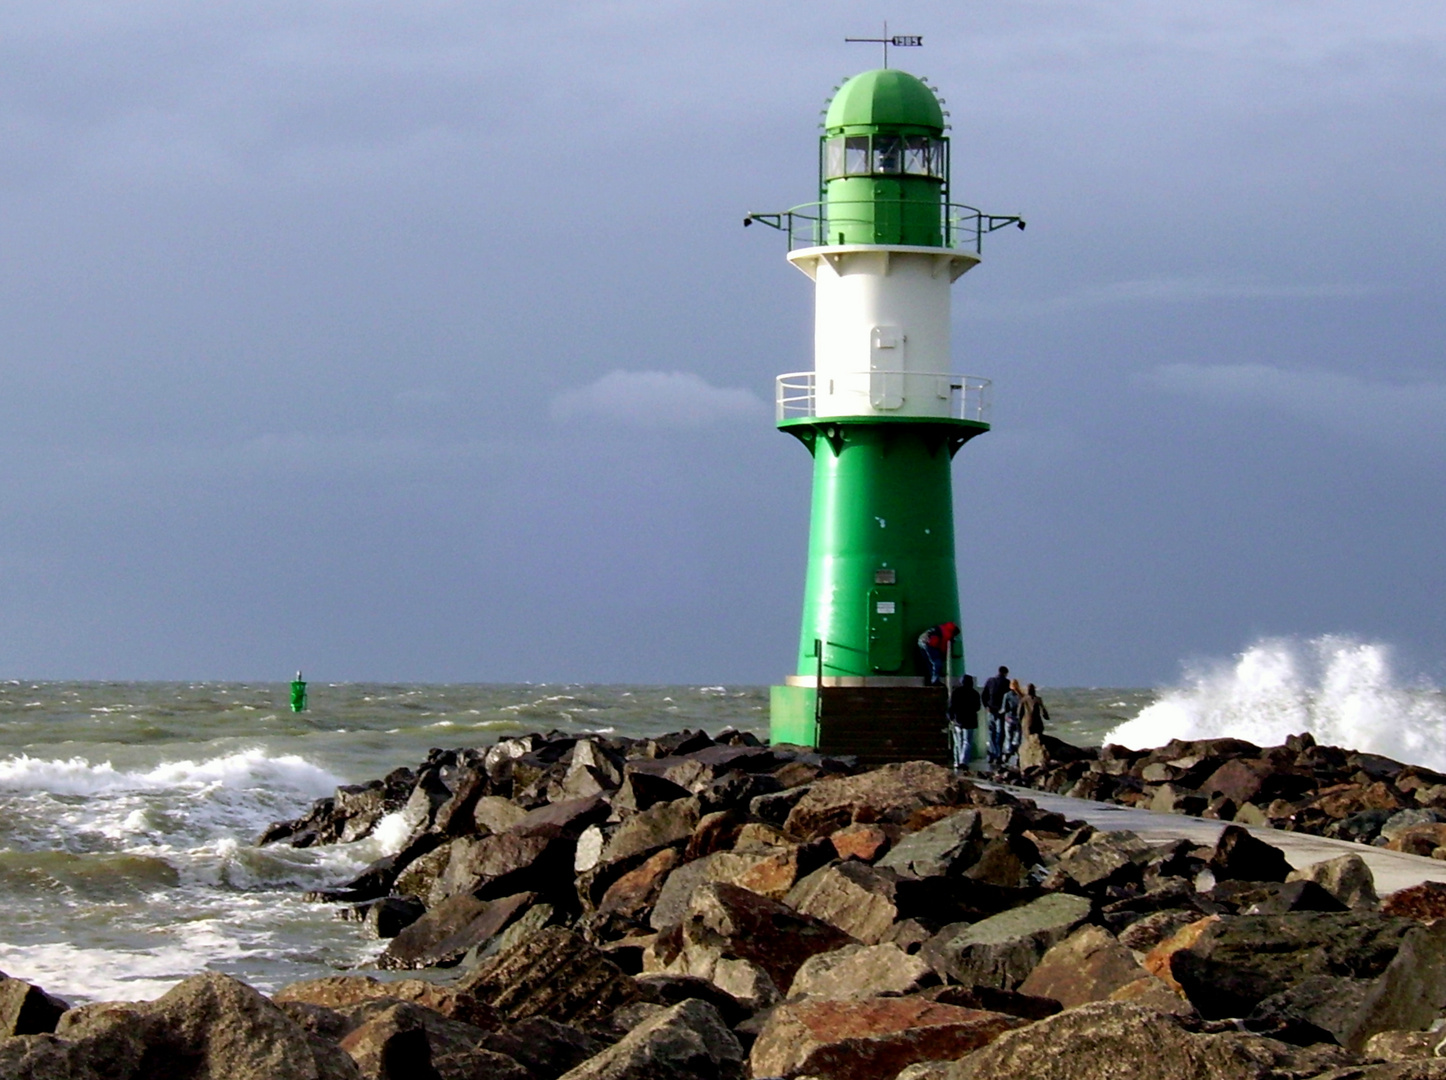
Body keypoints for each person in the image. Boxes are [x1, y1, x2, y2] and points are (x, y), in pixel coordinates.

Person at [947, 673, 981, 769]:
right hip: (970, 721)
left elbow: (951, 706)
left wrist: (950, 718)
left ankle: (957, 761)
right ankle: (964, 761)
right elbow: (977, 707)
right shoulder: (974, 693)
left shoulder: (956, 692)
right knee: (967, 742)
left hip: (957, 720)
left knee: (958, 742)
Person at [981, 665, 1010, 767]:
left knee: (991, 733)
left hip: (990, 710)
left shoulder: (990, 681)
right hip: (1000, 712)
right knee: (999, 734)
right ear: (1006, 673)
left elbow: (984, 695)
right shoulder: (1006, 683)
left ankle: (992, 755)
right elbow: (1009, 699)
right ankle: (998, 756)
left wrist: (986, 706)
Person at [1017, 682, 1050, 771]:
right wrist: (1046, 717)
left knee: (1028, 741)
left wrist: (1019, 722)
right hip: (1037, 722)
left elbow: (1019, 713)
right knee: (1038, 741)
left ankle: (1027, 759)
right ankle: (1038, 759)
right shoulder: (1038, 699)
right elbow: (1044, 711)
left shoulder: (1023, 700)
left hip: (1027, 723)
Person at [1001, 678, 1024, 767]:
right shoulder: (1021, 696)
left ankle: (1008, 753)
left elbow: (1004, 708)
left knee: (1008, 737)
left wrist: (999, 712)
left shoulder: (1007, 695)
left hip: (1009, 718)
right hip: (1018, 719)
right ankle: (1018, 757)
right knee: (1017, 738)